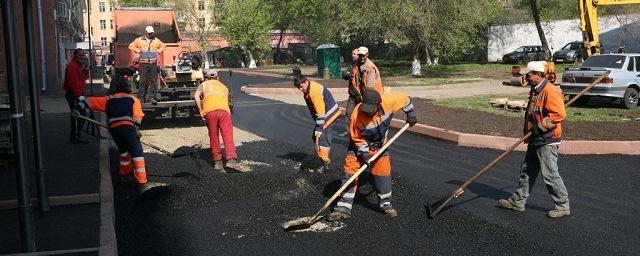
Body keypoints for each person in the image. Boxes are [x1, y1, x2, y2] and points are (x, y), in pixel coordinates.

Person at [327, 90, 417, 221]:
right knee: (350, 172)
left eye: (370, 110)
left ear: (378, 104)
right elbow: (356, 138)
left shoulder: (389, 101)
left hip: (380, 145)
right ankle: (343, 208)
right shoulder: (357, 115)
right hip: (359, 144)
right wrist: (364, 155)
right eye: (365, 109)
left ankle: (386, 204)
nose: (367, 112)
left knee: (383, 173)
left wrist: (411, 114)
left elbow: (405, 99)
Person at [498, 61, 570, 218]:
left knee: (550, 174)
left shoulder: (550, 91)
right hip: (535, 138)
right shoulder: (535, 90)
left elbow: (559, 114)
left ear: (538, 75)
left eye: (529, 75)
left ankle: (562, 205)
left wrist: (541, 126)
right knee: (527, 171)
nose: (527, 77)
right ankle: (518, 201)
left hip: (547, 140)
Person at [75, 76, 150, 188]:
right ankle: (141, 182)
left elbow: (88, 101)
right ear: (127, 86)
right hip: (128, 127)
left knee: (123, 150)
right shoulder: (133, 99)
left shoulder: (108, 99)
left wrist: (77, 108)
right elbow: (137, 117)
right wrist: (136, 130)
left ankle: (124, 173)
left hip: (114, 130)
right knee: (137, 152)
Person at [194, 69, 247, 172]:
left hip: (210, 112)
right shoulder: (224, 87)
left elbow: (196, 95)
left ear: (206, 77)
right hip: (224, 112)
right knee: (228, 135)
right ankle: (231, 160)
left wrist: (200, 109)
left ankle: (218, 163)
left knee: (214, 136)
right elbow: (228, 100)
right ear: (217, 78)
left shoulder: (204, 84)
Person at [294, 76, 342, 172]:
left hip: (329, 114)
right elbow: (314, 110)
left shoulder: (313, 92)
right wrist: (318, 126)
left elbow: (320, 111)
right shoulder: (307, 92)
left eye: (301, 86)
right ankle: (320, 156)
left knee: (323, 136)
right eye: (298, 88)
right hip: (324, 115)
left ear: (306, 82)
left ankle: (324, 162)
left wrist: (319, 128)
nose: (300, 89)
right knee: (315, 136)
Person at [128, 25, 167, 104]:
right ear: (145, 32)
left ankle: (151, 98)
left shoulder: (156, 40)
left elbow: (163, 46)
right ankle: (141, 98)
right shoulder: (139, 40)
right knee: (142, 81)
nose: (150, 34)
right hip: (143, 63)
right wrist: (138, 51)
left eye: (151, 33)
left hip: (153, 63)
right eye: (149, 33)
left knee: (153, 81)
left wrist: (159, 51)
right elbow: (131, 46)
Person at [64, 48, 90, 143]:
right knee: (79, 114)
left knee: (78, 114)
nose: (82, 57)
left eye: (83, 55)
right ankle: (76, 136)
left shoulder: (79, 66)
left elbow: (83, 77)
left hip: (77, 94)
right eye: (79, 55)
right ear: (74, 55)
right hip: (73, 94)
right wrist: (79, 96)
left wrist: (86, 69)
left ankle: (75, 136)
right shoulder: (72, 66)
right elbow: (72, 83)